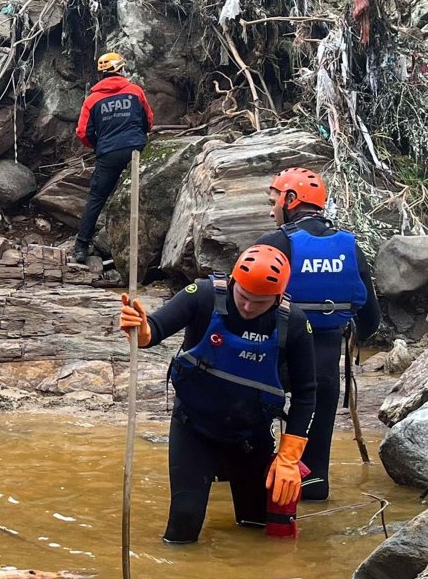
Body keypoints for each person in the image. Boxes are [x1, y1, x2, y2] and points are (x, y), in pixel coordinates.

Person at [119, 245, 317, 543]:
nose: (249, 307)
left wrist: (288, 459)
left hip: (251, 437)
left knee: (257, 527)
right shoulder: (202, 294)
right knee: (184, 522)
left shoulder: (295, 324)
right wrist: (142, 330)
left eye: (260, 302)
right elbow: (155, 329)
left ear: (277, 299)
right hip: (194, 427)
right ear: (234, 282)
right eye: (244, 297)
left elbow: (306, 393)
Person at [254, 167, 379, 501]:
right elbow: (371, 320)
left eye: (273, 201)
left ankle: (261, 485)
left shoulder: (274, 243)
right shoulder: (350, 246)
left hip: (274, 363)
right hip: (324, 364)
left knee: (256, 465)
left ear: (290, 200)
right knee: (315, 480)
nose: (271, 211)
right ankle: (310, 487)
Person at [72, 52, 154, 265]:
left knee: (97, 198)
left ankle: (81, 247)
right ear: (121, 69)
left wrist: (98, 146)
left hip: (108, 152)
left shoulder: (93, 99)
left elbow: (82, 132)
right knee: (142, 193)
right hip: (136, 149)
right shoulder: (135, 91)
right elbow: (148, 120)